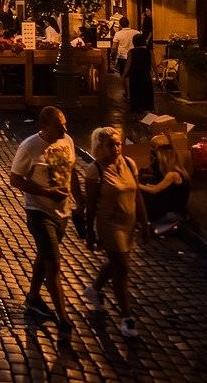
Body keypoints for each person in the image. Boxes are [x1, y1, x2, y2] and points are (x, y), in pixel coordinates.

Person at [9, 105, 83, 344]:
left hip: (62, 212)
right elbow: (15, 178)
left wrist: (79, 201)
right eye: (59, 125)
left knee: (44, 255)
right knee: (53, 264)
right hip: (39, 212)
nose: (65, 128)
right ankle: (63, 319)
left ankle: (32, 297)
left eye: (65, 123)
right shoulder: (30, 147)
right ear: (45, 126)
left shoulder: (67, 141)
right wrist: (46, 192)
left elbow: (71, 173)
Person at [82, 127, 152, 338]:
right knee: (122, 268)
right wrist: (89, 231)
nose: (116, 148)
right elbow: (91, 205)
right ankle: (127, 317)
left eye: (118, 144)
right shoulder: (95, 171)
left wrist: (145, 223)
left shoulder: (129, 164)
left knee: (116, 263)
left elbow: (137, 194)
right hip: (109, 224)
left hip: (128, 222)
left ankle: (94, 289)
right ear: (100, 147)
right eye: (111, 145)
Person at [139, 134, 191, 231]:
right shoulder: (180, 171)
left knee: (145, 197)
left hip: (173, 212)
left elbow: (155, 190)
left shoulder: (172, 175)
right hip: (180, 209)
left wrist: (136, 185)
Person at [124, 33, 154, 114]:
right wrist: (157, 77)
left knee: (135, 92)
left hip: (135, 76)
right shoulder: (149, 51)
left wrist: (124, 75)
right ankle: (146, 111)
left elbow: (128, 65)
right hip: (146, 76)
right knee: (146, 92)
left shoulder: (131, 52)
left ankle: (136, 111)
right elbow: (153, 64)